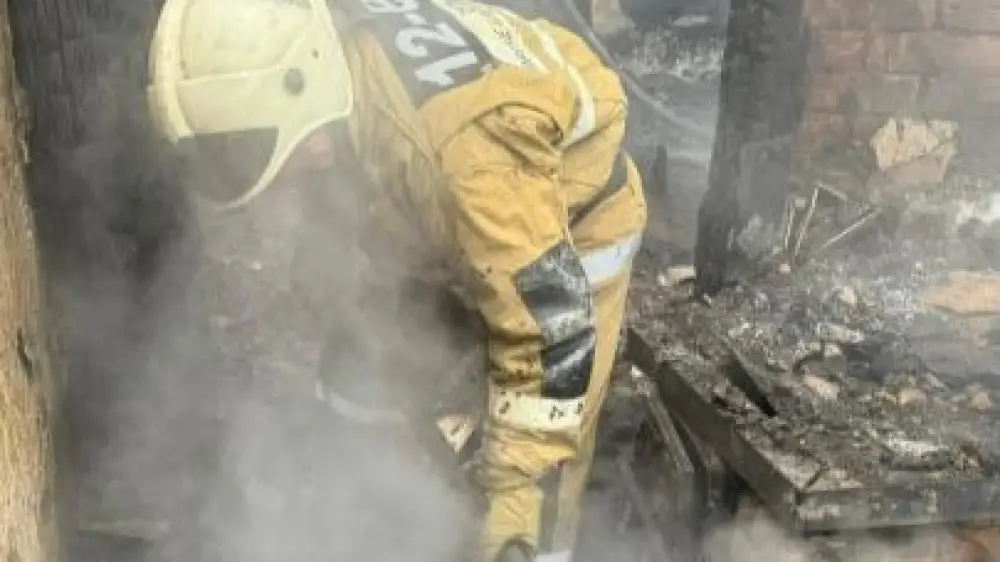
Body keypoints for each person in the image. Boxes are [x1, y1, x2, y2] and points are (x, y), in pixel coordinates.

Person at [145, 0, 647, 560]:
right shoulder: (342, 75)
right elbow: (337, 224)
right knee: (363, 372)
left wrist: (512, 501)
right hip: (447, 204)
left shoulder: (469, 157)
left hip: (572, 229)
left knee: (539, 473)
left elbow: (554, 334)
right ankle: (382, 503)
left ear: (302, 98)